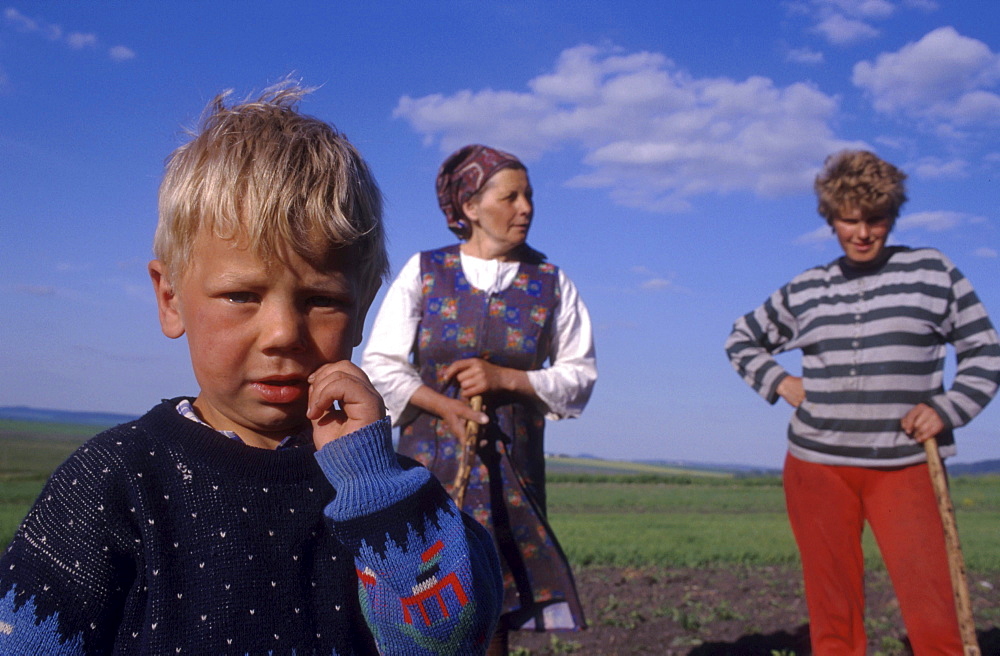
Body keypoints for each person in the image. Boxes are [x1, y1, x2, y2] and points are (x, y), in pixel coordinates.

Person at [0, 82, 502, 655]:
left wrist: (373, 484)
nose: (284, 332)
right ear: (170, 298)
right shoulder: (112, 484)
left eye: (322, 300)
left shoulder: (388, 496)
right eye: (241, 295)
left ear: (363, 309)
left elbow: (449, 641)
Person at [725, 150, 1000, 654]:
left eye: (875, 219)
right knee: (833, 615)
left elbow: (986, 352)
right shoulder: (810, 288)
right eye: (849, 220)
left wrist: (947, 409)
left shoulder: (933, 273)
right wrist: (781, 383)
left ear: (892, 216)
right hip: (817, 467)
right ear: (830, 220)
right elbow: (741, 339)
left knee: (934, 607)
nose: (863, 233)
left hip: (907, 463)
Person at [362, 144, 596, 655]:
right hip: (425, 473)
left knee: (495, 608)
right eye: (510, 196)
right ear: (470, 207)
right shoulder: (424, 272)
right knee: (418, 601)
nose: (526, 207)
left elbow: (579, 377)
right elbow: (379, 363)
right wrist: (439, 403)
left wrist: (507, 379)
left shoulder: (551, 284)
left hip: (511, 475)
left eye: (529, 196)